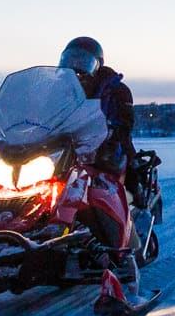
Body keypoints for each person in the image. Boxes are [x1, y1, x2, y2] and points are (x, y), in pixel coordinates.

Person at [56, 36, 135, 250]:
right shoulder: (59, 90)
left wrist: (113, 130)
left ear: (97, 63)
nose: (75, 66)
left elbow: (126, 121)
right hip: (66, 150)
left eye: (82, 60)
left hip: (105, 148)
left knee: (108, 176)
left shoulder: (117, 89)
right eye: (70, 59)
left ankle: (122, 239)